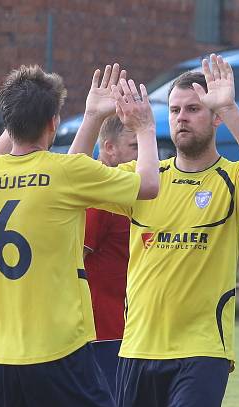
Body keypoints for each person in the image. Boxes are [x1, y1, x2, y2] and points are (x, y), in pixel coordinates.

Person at [72, 54, 239, 407]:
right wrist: (94, 117)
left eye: (193, 109)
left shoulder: (231, 180)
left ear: (214, 119)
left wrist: (230, 107)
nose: (181, 119)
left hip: (201, 350)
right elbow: (70, 181)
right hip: (138, 349)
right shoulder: (146, 178)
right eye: (174, 110)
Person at [0, 63, 158, 407]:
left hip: (1, 358)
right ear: (54, 123)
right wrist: (143, 128)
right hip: (62, 351)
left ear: (7, 121)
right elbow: (147, 185)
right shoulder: (63, 173)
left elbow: (35, 170)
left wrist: (87, 118)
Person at [0, 115, 137, 407]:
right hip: (89, 338)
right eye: (132, 147)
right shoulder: (91, 190)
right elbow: (146, 184)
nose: (139, 154)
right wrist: (146, 129)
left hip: (14, 349)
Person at [85, 115, 139, 391]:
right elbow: (75, 255)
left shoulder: (123, 189)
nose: (143, 155)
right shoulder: (101, 195)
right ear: (109, 148)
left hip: (127, 326)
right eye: (134, 146)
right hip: (103, 329)